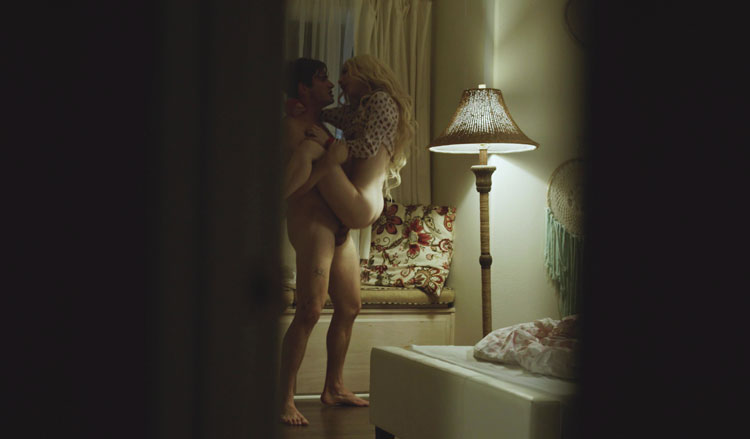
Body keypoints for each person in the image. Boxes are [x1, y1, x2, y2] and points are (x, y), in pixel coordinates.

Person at [278, 56, 413, 427]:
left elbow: (347, 160)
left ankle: (334, 387)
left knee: (350, 305)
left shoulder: (324, 125)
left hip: (336, 221)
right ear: (304, 88)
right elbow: (295, 190)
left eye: (338, 76)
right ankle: (284, 398)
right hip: (313, 222)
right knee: (310, 308)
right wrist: (328, 161)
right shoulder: (294, 128)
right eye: (324, 78)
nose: (333, 84)